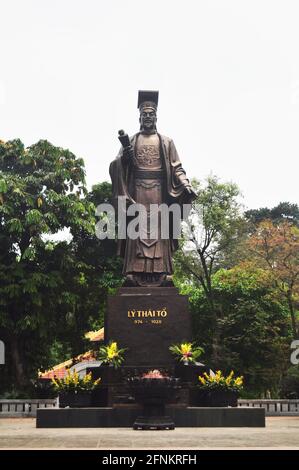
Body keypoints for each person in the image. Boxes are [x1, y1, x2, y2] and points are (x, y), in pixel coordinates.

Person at [109, 90, 195, 286]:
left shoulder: (166, 142)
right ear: (139, 117)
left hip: (160, 193)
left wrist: (186, 184)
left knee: (160, 230)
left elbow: (177, 168)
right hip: (136, 192)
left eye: (151, 114)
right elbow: (117, 164)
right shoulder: (131, 141)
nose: (148, 117)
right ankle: (132, 271)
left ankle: (163, 272)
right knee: (136, 230)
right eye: (144, 114)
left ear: (156, 117)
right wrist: (124, 159)